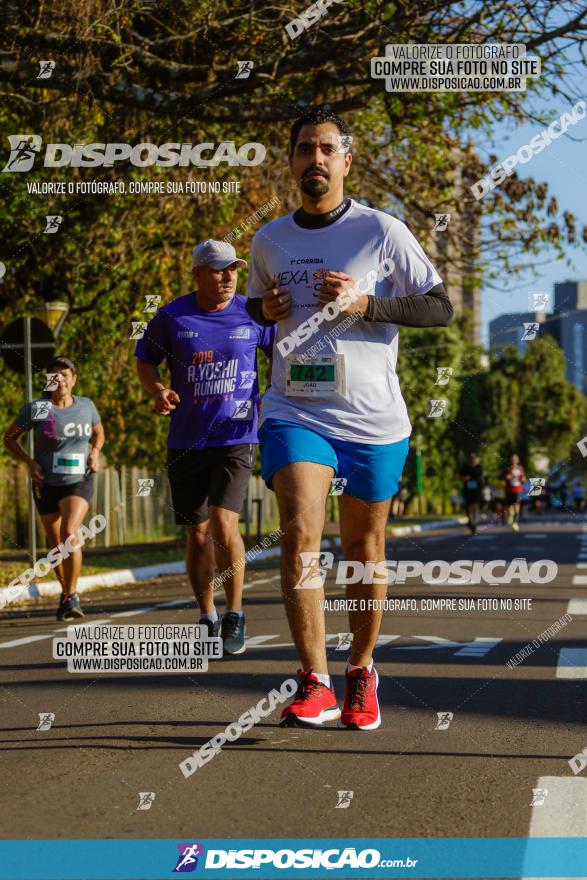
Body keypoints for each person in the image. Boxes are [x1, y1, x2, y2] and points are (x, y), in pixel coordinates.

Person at [245, 109, 452, 729]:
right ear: (291, 160)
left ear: (346, 160)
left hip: (371, 418)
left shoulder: (383, 232)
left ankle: (361, 669)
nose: (316, 158)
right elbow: (253, 315)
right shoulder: (268, 240)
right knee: (300, 531)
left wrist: (367, 303)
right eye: (304, 148)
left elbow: (438, 307)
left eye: (327, 149)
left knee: (363, 548)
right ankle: (313, 680)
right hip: (295, 409)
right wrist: (264, 307)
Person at [135, 240, 275, 655]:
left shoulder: (252, 313)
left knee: (222, 523)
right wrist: (158, 389)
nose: (228, 277)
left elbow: (281, 353)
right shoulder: (172, 316)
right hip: (186, 438)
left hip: (236, 437)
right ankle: (206, 613)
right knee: (196, 534)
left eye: (233, 269)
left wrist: (272, 393)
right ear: (197, 273)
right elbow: (146, 360)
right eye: (218, 270)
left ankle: (235, 613)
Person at [3, 356, 104, 620]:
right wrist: (29, 462)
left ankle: (72, 595)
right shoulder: (38, 409)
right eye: (54, 375)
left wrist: (95, 452)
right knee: (56, 545)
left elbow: (99, 431)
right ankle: (66, 594)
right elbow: (10, 438)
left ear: (74, 379)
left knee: (70, 533)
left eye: (65, 375)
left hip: (79, 479)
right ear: (47, 381)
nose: (60, 380)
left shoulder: (86, 406)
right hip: (45, 482)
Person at [459, 453, 483, 534]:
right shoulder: (465, 468)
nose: (472, 459)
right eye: (471, 458)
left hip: (477, 490)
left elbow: (482, 477)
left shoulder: (479, 467)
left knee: (475, 506)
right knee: (468, 507)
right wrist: (465, 478)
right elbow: (460, 476)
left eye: (474, 458)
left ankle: (474, 524)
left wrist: (481, 480)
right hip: (467, 490)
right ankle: (470, 520)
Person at [502, 453, 526, 532]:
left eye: (515, 459)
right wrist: (507, 477)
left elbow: (523, 478)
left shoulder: (520, 468)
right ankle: (511, 515)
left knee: (517, 503)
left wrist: (523, 480)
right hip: (509, 489)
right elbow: (503, 477)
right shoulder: (507, 468)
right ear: (510, 460)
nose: (514, 460)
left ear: (518, 460)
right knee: (509, 505)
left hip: (518, 489)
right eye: (512, 459)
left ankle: (515, 521)